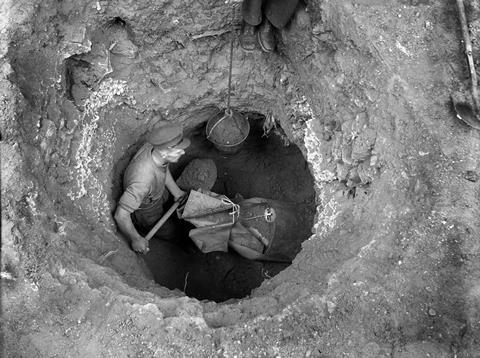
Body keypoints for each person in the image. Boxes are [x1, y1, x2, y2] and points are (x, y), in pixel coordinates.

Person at [114, 123, 190, 254]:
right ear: (165, 151)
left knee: (166, 199)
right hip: (148, 213)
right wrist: (136, 239)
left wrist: (176, 192)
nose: (183, 152)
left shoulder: (154, 148)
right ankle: (181, 243)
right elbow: (121, 215)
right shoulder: (142, 179)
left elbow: (163, 169)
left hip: (156, 194)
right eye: (178, 150)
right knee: (171, 231)